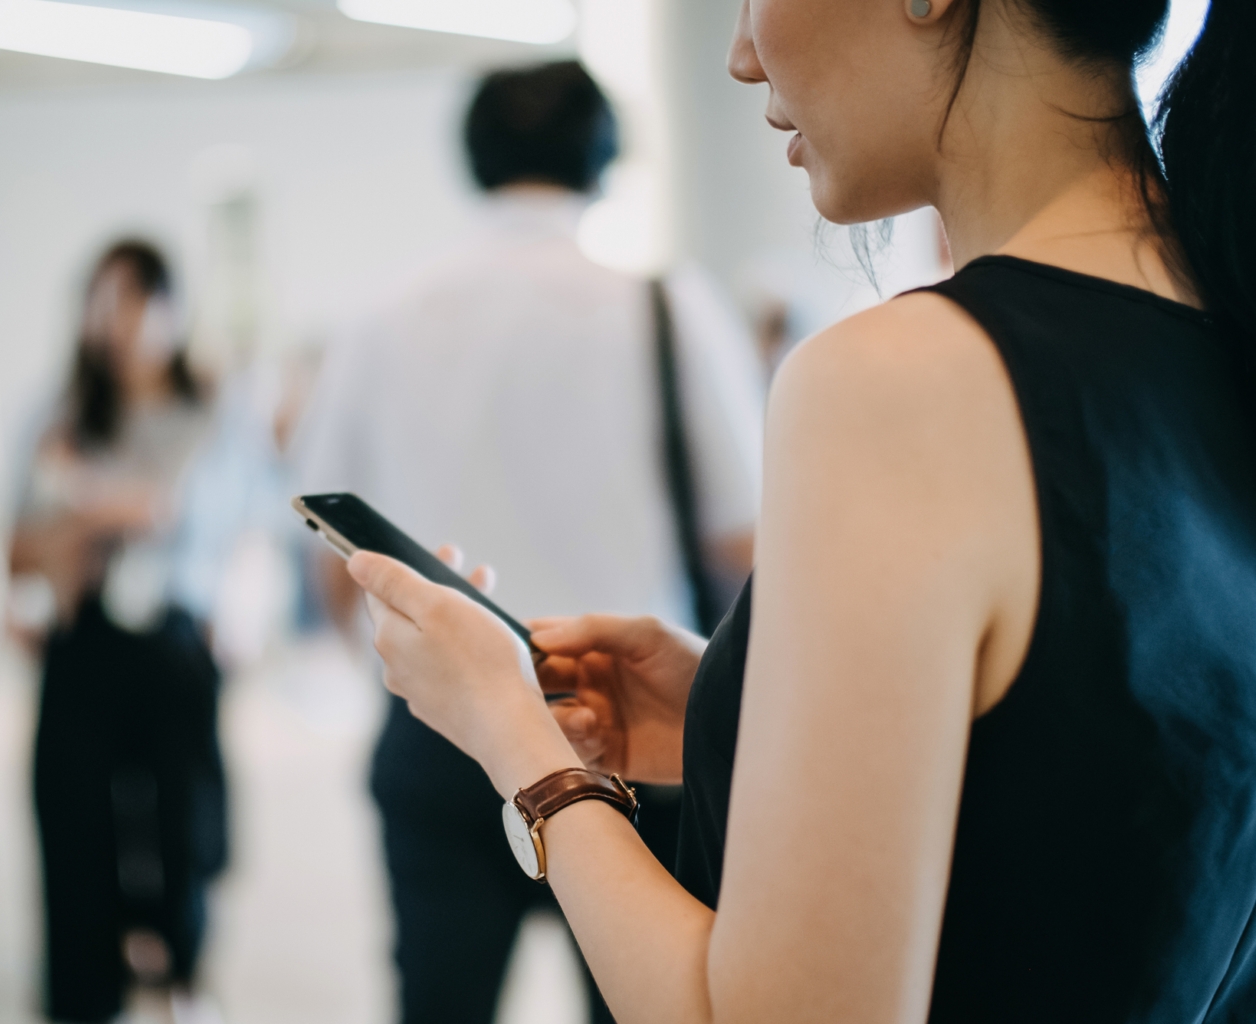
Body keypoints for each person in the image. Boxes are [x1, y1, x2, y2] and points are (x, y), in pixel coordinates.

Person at [345, 0, 1256, 1021]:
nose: (741, 55)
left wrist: (511, 729)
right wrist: (742, 710)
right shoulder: (1217, 330)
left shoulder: (904, 380)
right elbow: (1108, 782)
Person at [296, 60, 763, 1024]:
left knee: (441, 1002)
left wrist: (379, 670)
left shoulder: (385, 315)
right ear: (603, 156)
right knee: (647, 996)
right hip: (627, 716)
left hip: (439, 719)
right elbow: (741, 541)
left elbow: (333, 552)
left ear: (474, 157)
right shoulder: (667, 306)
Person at [10, 241, 237, 1024]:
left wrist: (77, 498)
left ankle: (182, 975)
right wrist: (92, 516)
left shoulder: (209, 409)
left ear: (173, 308)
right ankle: (83, 999)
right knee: (73, 825)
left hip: (177, 640)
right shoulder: (59, 412)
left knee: (185, 827)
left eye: (138, 298)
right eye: (104, 301)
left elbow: (171, 509)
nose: (120, 320)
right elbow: (19, 546)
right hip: (84, 637)